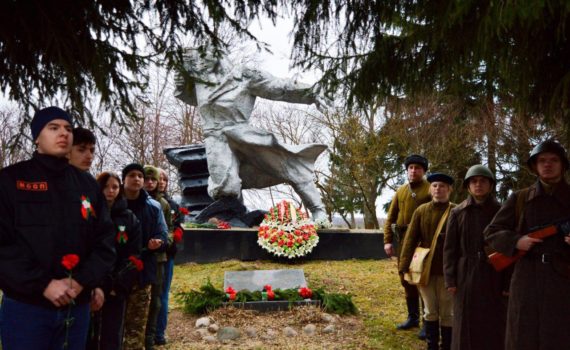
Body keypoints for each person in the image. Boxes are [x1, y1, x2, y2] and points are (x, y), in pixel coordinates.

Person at [0, 106, 115, 350]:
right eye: (53, 128)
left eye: (68, 128)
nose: (63, 133)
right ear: (37, 137)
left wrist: (83, 281)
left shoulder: (87, 185)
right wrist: (43, 284)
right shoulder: (10, 180)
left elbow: (104, 241)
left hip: (77, 306)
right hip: (27, 308)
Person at [175, 47, 330, 222]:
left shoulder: (244, 75)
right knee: (226, 187)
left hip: (242, 135)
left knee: (289, 166)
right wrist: (181, 77)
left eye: (204, 55)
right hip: (215, 140)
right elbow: (188, 96)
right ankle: (232, 220)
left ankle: (319, 211)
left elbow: (278, 87)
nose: (200, 61)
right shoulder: (200, 81)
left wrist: (312, 92)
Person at [484, 139, 570, 350]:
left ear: (563, 165)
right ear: (535, 166)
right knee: (522, 336)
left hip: (563, 280)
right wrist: (516, 241)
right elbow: (491, 232)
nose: (547, 164)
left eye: (553, 160)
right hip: (526, 279)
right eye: (542, 160)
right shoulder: (520, 198)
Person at [443, 165, 506, 350]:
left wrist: (507, 282)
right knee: (464, 322)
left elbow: (509, 248)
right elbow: (449, 249)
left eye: (483, 181)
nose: (478, 184)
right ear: (468, 186)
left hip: (493, 273)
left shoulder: (501, 211)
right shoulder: (458, 212)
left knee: (492, 322)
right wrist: (450, 280)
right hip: (465, 274)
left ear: (490, 185)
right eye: (474, 181)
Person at [400, 173, 456, 350]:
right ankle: (432, 346)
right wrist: (404, 266)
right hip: (426, 269)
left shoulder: (457, 211)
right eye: (435, 185)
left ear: (449, 189)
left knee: (448, 312)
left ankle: (447, 346)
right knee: (430, 310)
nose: (438, 189)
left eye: (442, 186)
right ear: (430, 189)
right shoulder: (421, 211)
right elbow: (410, 240)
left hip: (449, 271)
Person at [86, 172, 142, 350]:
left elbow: (134, 254)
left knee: (112, 333)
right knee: (88, 334)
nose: (110, 191)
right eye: (105, 186)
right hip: (90, 285)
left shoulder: (129, 218)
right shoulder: (88, 214)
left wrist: (116, 284)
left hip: (116, 287)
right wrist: (93, 282)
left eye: (115, 187)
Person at [121, 163, 168, 350]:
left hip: (143, 272)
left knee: (136, 326)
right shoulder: (112, 204)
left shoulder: (154, 207)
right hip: (115, 272)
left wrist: (157, 241)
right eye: (132, 175)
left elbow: (163, 234)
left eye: (140, 175)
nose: (138, 179)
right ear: (124, 179)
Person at [383, 155, 431, 337]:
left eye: (417, 168)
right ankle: (413, 318)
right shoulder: (401, 191)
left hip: (422, 244)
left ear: (424, 171)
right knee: (406, 279)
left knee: (421, 281)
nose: (413, 171)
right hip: (403, 243)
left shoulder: (429, 190)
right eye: (410, 167)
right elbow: (390, 218)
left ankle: (428, 322)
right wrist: (387, 240)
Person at [143, 165, 172, 349]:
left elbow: (168, 230)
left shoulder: (163, 205)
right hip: (137, 257)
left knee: (156, 299)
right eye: (148, 179)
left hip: (158, 257)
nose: (151, 183)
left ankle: (151, 337)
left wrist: (162, 242)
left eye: (154, 180)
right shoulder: (130, 200)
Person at [155, 168, 182, 346]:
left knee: (163, 294)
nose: (162, 182)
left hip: (167, 254)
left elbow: (177, 228)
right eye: (159, 179)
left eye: (165, 179)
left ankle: (159, 333)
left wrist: (170, 242)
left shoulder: (172, 205)